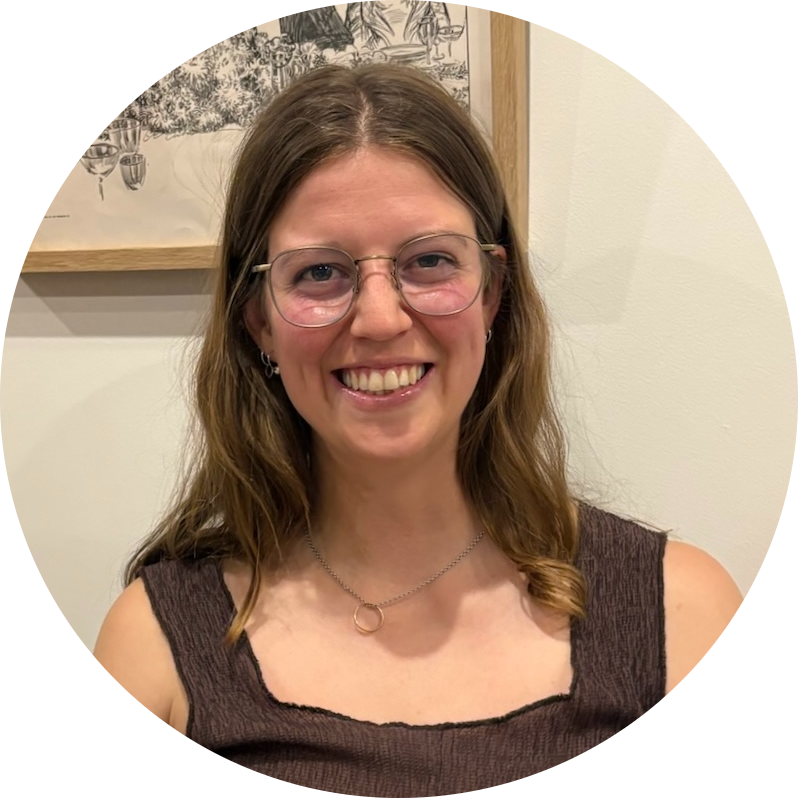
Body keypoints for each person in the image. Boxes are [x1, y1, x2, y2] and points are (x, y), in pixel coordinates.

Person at [93, 63, 745, 798]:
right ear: (259, 322)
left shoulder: (687, 614)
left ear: (494, 294)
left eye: (430, 260)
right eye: (319, 273)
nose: (379, 319)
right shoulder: (152, 648)